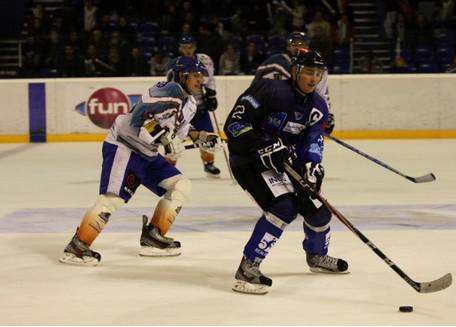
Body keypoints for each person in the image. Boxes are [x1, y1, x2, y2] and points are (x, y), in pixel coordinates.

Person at [59, 56, 218, 266]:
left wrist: (199, 137)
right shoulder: (166, 91)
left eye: (202, 76)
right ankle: (77, 246)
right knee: (112, 199)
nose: (200, 81)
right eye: (196, 76)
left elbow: (179, 131)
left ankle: (153, 235)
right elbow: (139, 119)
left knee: (181, 185)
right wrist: (165, 140)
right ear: (182, 75)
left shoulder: (190, 105)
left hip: (148, 153)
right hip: (125, 147)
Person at [224, 49, 348, 295]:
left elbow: (313, 140)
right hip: (249, 161)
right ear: (295, 72)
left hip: (283, 161)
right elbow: (233, 125)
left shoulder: (318, 107)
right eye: (308, 72)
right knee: (283, 208)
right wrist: (263, 144)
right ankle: (248, 268)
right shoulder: (269, 90)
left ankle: (316, 256)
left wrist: (312, 165)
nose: (313, 79)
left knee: (319, 210)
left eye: (318, 74)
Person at [253, 31, 335, 134]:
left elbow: (321, 93)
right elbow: (257, 89)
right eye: (293, 44)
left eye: (302, 44)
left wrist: (327, 115)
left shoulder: (317, 66)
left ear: (308, 46)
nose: (298, 47)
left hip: (300, 118)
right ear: (287, 47)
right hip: (274, 117)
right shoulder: (274, 63)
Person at [167, 35, 221, 177]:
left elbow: (210, 79)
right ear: (180, 48)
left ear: (195, 47)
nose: (187, 50)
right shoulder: (175, 64)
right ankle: (167, 166)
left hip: (200, 106)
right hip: (182, 107)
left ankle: (209, 163)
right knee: (174, 139)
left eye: (190, 47)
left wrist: (211, 94)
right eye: (184, 47)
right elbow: (170, 85)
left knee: (207, 134)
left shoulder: (204, 60)